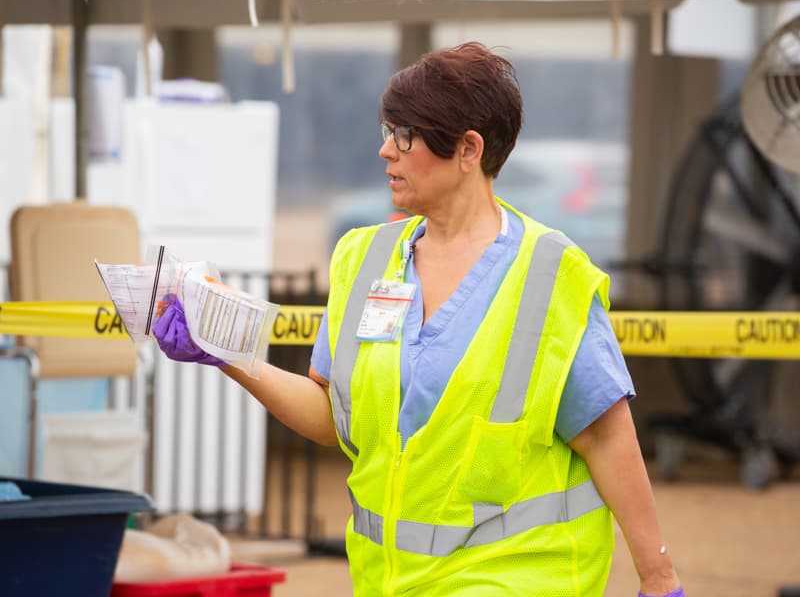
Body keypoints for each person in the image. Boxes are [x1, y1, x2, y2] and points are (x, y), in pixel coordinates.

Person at [153, 42, 685, 596]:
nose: (386, 150)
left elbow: (606, 438)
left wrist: (658, 574)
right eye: (388, 130)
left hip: (518, 575)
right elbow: (334, 418)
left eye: (405, 134)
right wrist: (228, 354)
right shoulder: (362, 260)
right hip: (390, 580)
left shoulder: (552, 274)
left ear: (468, 149)